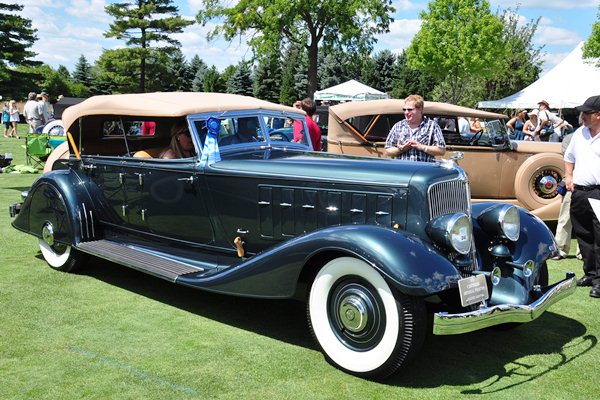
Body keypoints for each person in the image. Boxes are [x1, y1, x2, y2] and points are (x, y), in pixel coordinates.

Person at [563, 94, 600, 298]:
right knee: (583, 235)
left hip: (599, 192)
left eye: (587, 112)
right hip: (579, 192)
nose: (582, 116)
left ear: (598, 115)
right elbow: (569, 157)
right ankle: (590, 273)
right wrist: (569, 175)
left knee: (599, 237)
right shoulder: (579, 133)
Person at [384, 94, 445, 162]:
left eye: (410, 109)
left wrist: (422, 147)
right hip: (403, 170)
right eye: (404, 109)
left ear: (420, 110)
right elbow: (387, 151)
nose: (406, 112)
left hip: (423, 170)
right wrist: (402, 149)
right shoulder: (398, 126)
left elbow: (441, 150)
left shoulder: (432, 126)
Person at [553, 130, 581, 260]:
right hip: (573, 181)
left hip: (593, 183)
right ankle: (560, 249)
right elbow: (569, 158)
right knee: (565, 217)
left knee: (589, 220)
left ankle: (583, 252)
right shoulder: (570, 137)